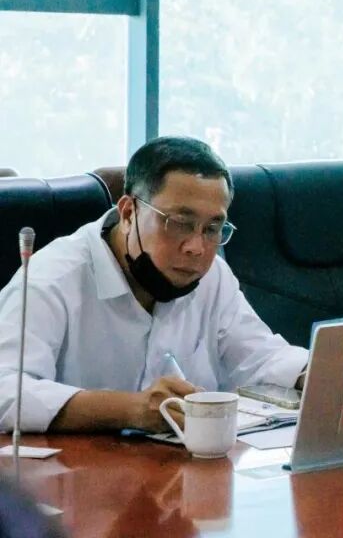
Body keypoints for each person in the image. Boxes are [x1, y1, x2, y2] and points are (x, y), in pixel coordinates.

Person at [0, 137, 308, 433]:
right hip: (76, 466)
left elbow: (260, 357)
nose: (196, 247)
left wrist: (314, 374)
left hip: (184, 464)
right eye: (179, 223)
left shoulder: (213, 275)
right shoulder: (50, 280)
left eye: (212, 228)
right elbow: (6, 392)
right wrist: (131, 410)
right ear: (128, 213)